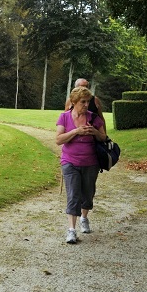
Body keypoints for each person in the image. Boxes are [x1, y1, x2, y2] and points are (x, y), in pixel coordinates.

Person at [56, 86, 107, 244]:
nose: (86, 105)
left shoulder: (93, 118)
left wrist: (95, 132)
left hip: (91, 162)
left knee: (88, 193)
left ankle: (84, 217)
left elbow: (104, 138)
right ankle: (71, 230)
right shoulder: (64, 117)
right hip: (70, 161)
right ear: (73, 102)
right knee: (73, 195)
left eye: (88, 102)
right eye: (83, 102)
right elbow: (58, 140)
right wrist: (76, 131)